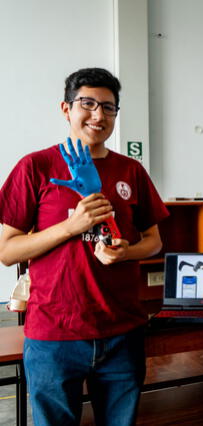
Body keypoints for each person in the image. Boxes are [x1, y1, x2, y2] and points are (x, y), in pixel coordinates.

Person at [0, 68, 169, 426]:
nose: (98, 115)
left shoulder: (130, 171)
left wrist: (127, 251)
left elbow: (154, 241)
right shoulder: (36, 167)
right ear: (66, 108)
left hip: (122, 330)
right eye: (87, 103)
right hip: (55, 333)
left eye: (108, 107)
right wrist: (70, 226)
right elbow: (7, 251)